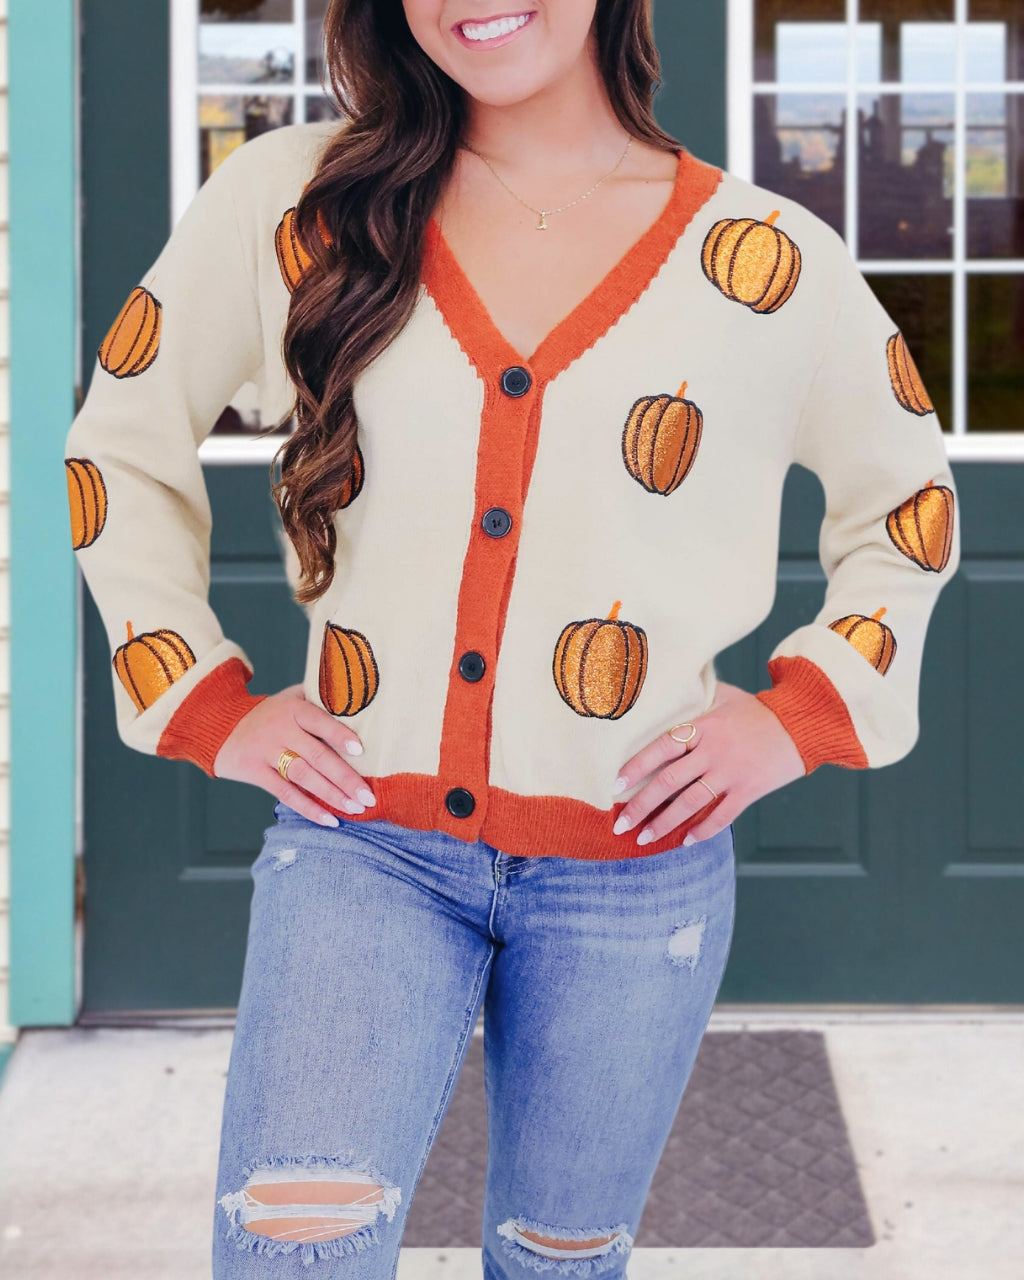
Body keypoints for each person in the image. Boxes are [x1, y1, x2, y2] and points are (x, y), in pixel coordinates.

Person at [64, 0, 961, 1274]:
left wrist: (796, 712)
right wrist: (204, 698)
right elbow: (120, 438)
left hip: (634, 869)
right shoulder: (299, 203)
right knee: (289, 1254)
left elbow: (908, 506)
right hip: (363, 848)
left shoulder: (766, 258)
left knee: (558, 1263)